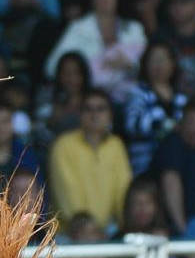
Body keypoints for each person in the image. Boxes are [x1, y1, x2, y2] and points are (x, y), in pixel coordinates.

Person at [43, 0, 146, 104]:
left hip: (128, 97)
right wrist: (85, 71)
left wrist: (130, 65)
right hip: (88, 96)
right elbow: (51, 67)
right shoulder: (78, 28)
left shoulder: (134, 28)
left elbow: (150, 65)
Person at [48, 88, 132, 230]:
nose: (94, 115)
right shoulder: (63, 145)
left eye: (101, 109)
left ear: (110, 115)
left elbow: (124, 189)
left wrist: (124, 225)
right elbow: (66, 195)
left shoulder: (116, 145)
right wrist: (86, 228)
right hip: (70, 233)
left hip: (109, 231)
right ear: (80, 114)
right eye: (88, 109)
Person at [149, 95, 195, 234]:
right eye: (190, 121)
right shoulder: (172, 144)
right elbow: (170, 182)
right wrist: (183, 229)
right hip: (173, 228)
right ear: (182, 121)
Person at [122, 40, 187, 174]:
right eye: (153, 60)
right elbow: (132, 124)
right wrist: (169, 126)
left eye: (162, 60)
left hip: (178, 162)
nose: (158, 65)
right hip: (146, 162)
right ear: (145, 64)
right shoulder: (138, 93)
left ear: (173, 64)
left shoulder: (181, 96)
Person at [33, 50, 89, 152]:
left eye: (76, 73)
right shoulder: (47, 96)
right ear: (58, 75)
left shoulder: (93, 99)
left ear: (84, 75)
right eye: (66, 73)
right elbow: (38, 132)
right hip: (53, 152)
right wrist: (50, 122)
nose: (71, 78)